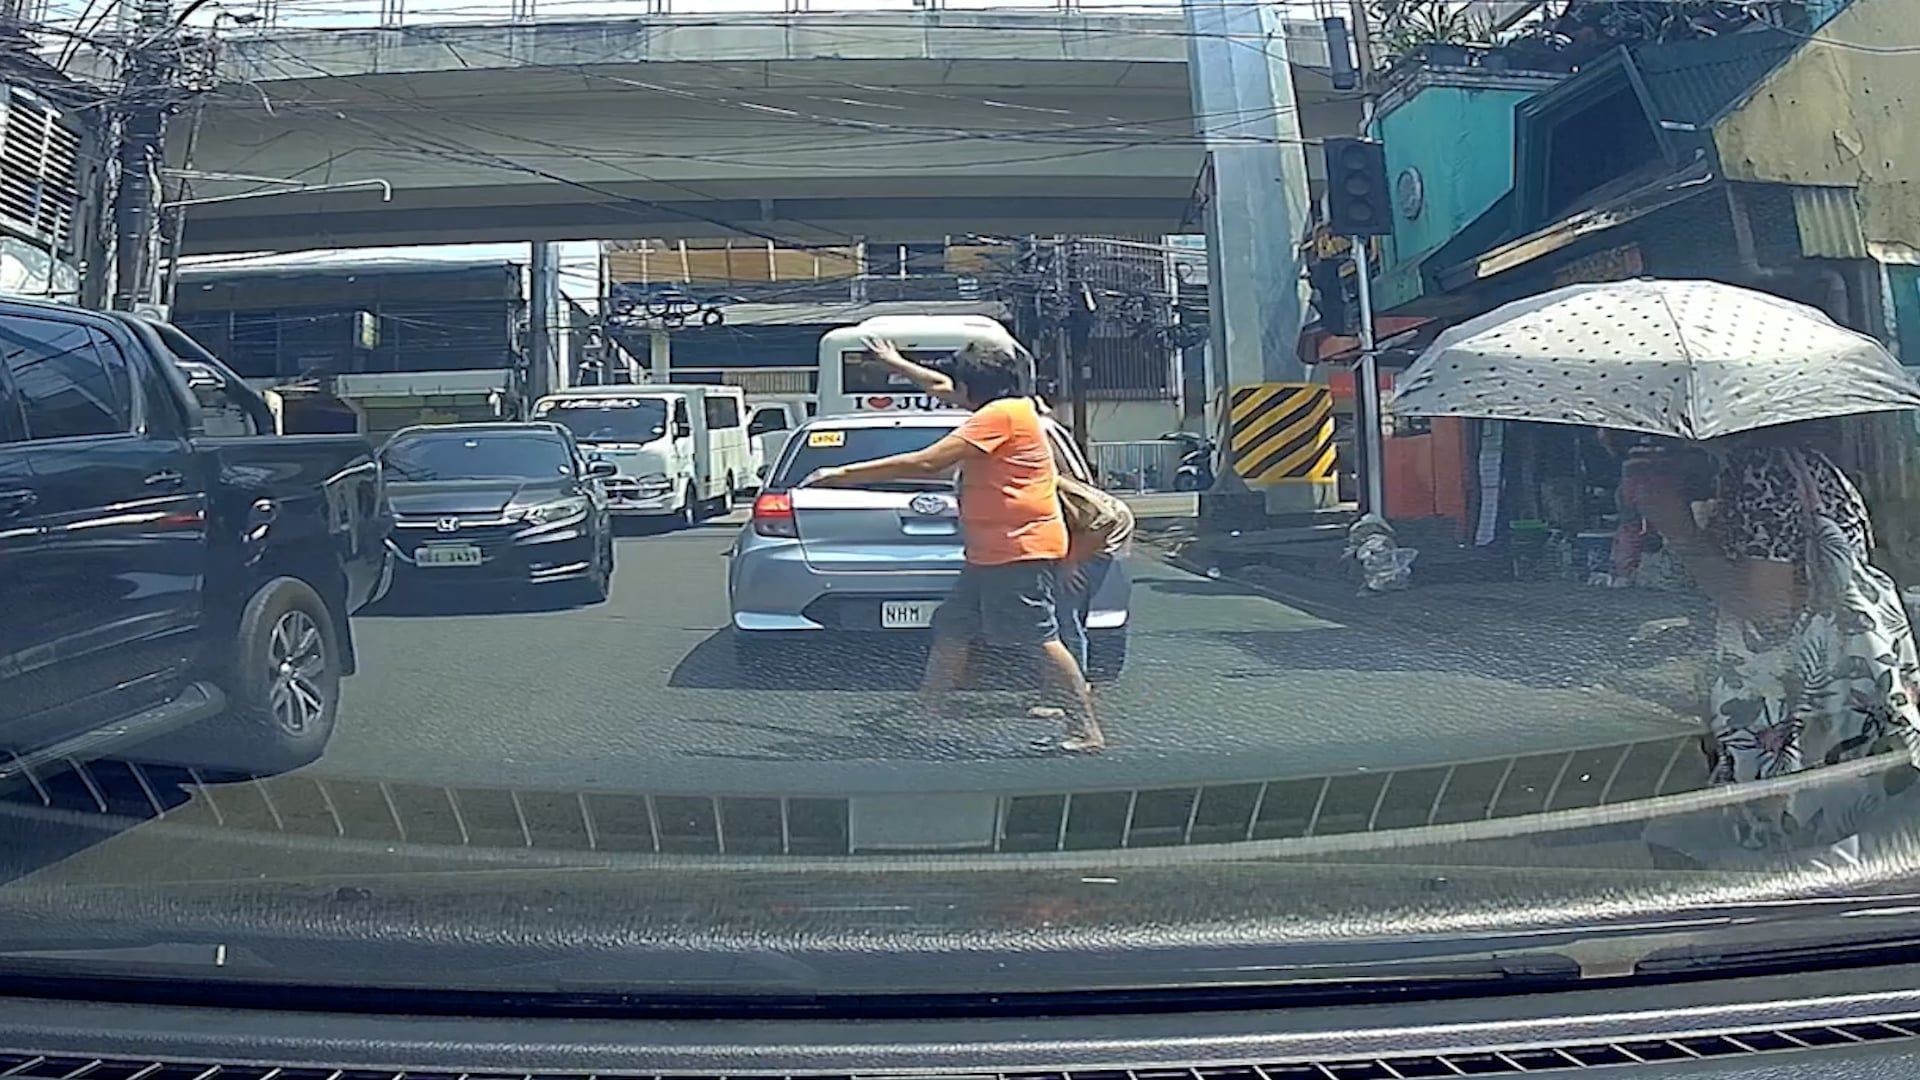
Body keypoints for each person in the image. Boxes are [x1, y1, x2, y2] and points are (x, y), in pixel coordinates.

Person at [1624, 421, 1920, 856]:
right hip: (1828, 706)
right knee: (1685, 838)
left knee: (1798, 847)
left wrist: (1677, 526)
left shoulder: (1763, 470)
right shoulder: (1799, 466)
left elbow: (1770, 610)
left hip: (1791, 708)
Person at [802, 337, 1103, 753]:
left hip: (1017, 549)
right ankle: (927, 714)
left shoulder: (999, 417)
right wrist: (897, 363)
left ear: (972, 387)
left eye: (958, 386)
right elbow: (941, 387)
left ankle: (1085, 728)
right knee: (953, 627)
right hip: (992, 552)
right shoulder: (1010, 406)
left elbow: (927, 461)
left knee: (1038, 637)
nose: (951, 393)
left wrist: (841, 474)